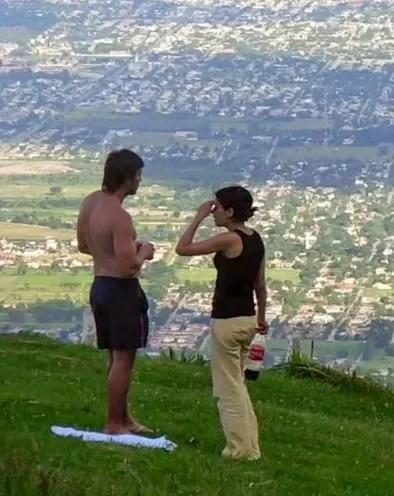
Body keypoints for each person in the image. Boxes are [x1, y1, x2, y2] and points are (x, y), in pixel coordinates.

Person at [175, 186, 267, 461]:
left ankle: (239, 450)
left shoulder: (229, 240)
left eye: (217, 207)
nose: (213, 211)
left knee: (228, 389)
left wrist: (198, 217)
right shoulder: (255, 239)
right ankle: (250, 447)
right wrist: (261, 318)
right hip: (248, 318)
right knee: (237, 384)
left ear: (229, 211)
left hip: (227, 321)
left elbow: (183, 248)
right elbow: (260, 285)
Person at [76, 149, 156, 435]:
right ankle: (114, 423)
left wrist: (109, 254)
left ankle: (124, 419)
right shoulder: (120, 217)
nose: (139, 181)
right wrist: (143, 251)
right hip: (121, 290)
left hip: (99, 286)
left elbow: (83, 245)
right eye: (138, 176)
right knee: (124, 359)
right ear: (127, 178)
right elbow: (127, 267)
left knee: (115, 356)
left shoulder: (91, 203)